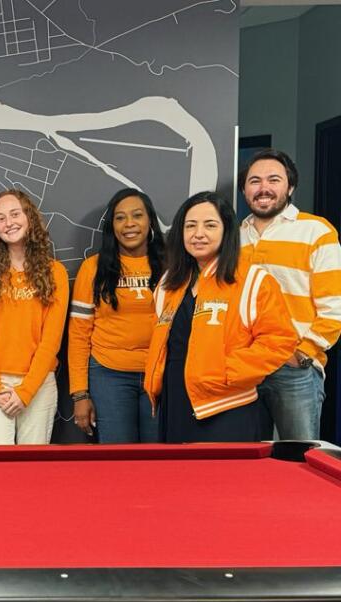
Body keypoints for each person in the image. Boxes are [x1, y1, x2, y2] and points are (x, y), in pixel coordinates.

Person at [144, 191, 297, 443]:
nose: (198, 234)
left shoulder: (253, 280)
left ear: (227, 231)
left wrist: (226, 373)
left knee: (222, 482)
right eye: (190, 226)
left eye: (210, 225)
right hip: (174, 403)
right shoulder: (168, 284)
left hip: (226, 405)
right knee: (177, 480)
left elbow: (279, 341)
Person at [238, 149, 341, 440]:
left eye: (274, 179)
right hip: (245, 370)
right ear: (244, 190)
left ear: (290, 187)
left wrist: (303, 353)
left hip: (294, 370)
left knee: (298, 460)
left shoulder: (316, 231)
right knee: (248, 466)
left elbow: (334, 307)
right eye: (254, 181)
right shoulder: (234, 237)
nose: (264, 188)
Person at [0, 189, 68, 445]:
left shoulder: (55, 273)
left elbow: (51, 340)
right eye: (0, 218)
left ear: (29, 217)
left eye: (15, 214)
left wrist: (25, 392)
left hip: (38, 385)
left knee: (32, 470)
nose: (8, 223)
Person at [68, 188, 165, 443]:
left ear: (150, 221)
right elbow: (78, 335)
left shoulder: (172, 265)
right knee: (119, 463)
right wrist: (80, 395)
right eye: (120, 218)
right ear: (112, 226)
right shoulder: (93, 268)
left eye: (137, 215)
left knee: (159, 462)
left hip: (160, 376)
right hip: (109, 375)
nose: (129, 224)